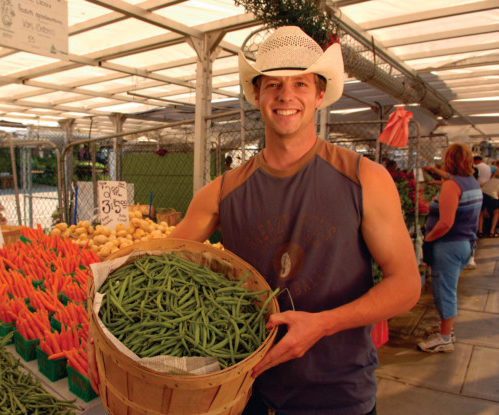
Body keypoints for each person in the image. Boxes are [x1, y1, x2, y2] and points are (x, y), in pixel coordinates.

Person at [162, 26, 418, 414]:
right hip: (244, 391)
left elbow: (406, 285)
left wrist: (323, 324)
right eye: (273, 85)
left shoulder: (364, 178)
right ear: (256, 94)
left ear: (319, 95)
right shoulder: (220, 192)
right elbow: (158, 264)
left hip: (336, 395)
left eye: (301, 83)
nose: (286, 96)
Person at [418, 143, 482, 353]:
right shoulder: (471, 182)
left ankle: (445, 339)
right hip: (465, 244)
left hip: (448, 247)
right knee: (449, 288)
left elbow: (446, 223)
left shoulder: (452, 186)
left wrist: (428, 239)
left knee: (444, 291)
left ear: (449, 160)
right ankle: (446, 328)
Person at [479, 168, 499, 237]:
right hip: (492, 196)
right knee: (496, 212)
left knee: (480, 213)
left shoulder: (491, 180)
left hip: (482, 194)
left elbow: (481, 185)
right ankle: (492, 231)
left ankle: (480, 231)